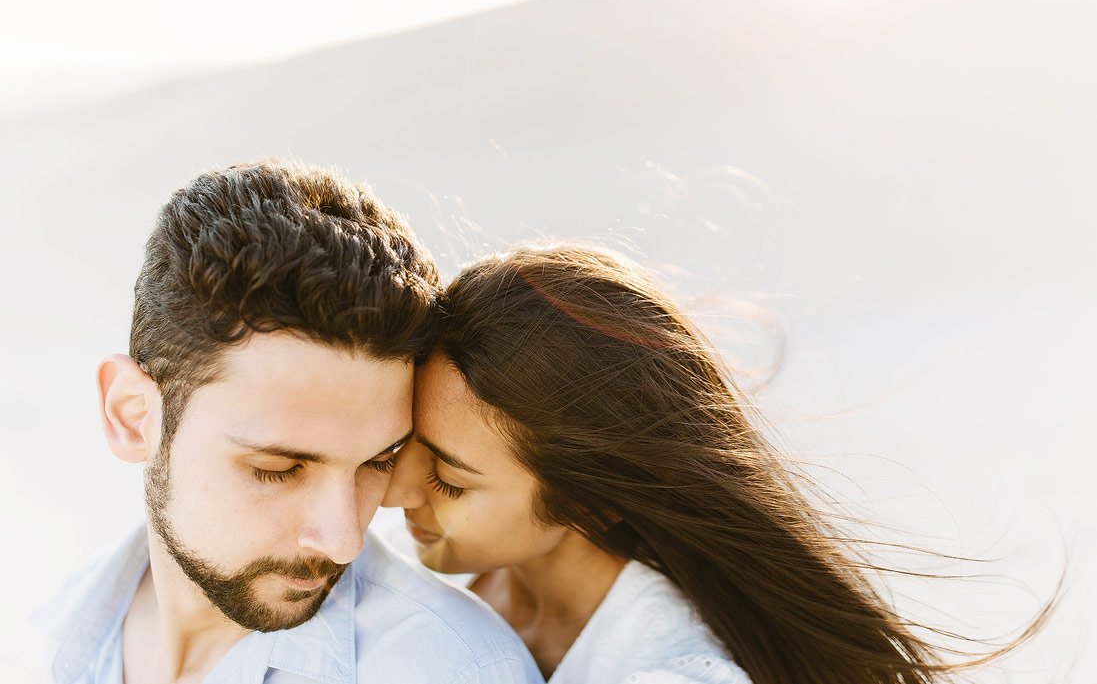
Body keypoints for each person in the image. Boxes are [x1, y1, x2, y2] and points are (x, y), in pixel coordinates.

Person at [385, 243, 1051, 684]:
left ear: (588, 500)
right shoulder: (389, 564)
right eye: (405, 444)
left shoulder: (677, 669)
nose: (396, 490)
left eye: (448, 477)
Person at [40, 161, 541, 684]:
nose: (344, 541)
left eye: (378, 461)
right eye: (279, 468)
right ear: (132, 415)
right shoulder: (60, 623)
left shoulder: (451, 671)